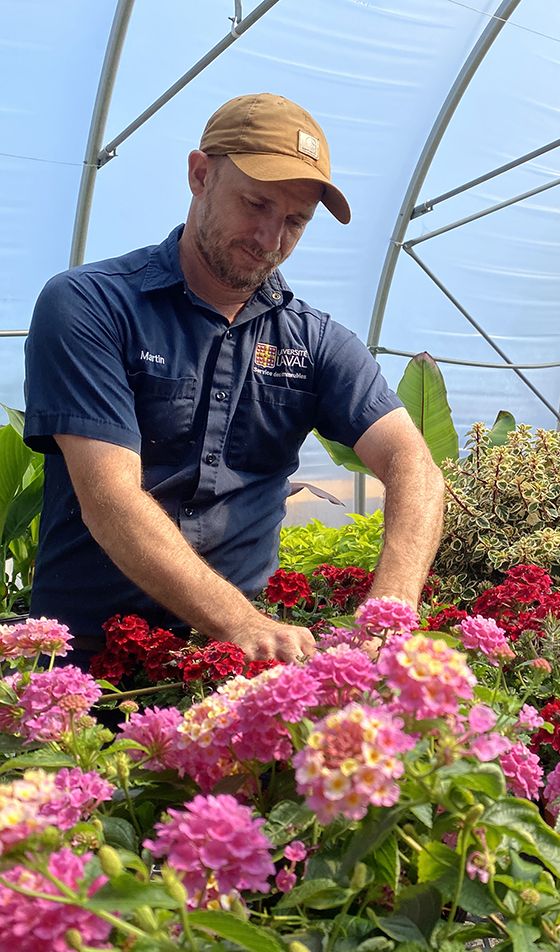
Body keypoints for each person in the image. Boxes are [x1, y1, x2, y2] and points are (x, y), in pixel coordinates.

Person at [23, 93, 444, 667]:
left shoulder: (314, 340)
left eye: (295, 221)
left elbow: (413, 464)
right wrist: (242, 624)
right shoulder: (92, 305)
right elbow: (110, 497)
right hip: (93, 662)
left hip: (232, 666)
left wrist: (390, 610)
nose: (271, 239)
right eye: (256, 203)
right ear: (200, 175)